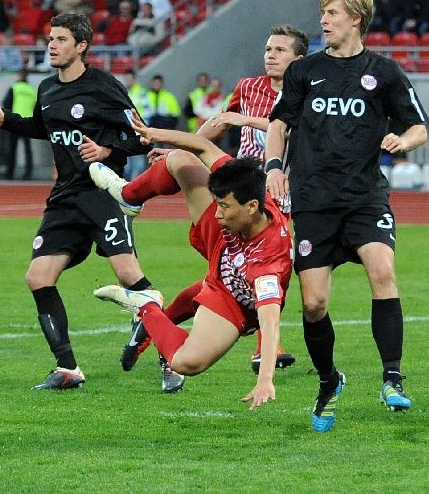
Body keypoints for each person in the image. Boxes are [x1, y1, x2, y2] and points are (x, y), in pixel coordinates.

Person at [0, 13, 175, 392]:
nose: (52, 45)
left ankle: (173, 360)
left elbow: (142, 136)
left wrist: (107, 150)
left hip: (103, 193)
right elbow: (44, 127)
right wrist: (7, 121)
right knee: (38, 277)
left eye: (61, 39)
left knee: (129, 276)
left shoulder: (104, 86)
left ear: (81, 46)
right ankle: (67, 368)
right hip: (65, 197)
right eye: (50, 39)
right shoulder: (47, 88)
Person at [265, 0, 429, 432]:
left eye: (332, 13)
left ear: (356, 18)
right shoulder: (304, 71)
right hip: (313, 202)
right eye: (323, 13)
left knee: (383, 270)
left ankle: (392, 377)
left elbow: (419, 127)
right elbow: (278, 124)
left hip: (364, 197)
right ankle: (328, 381)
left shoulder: (384, 72)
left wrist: (402, 141)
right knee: (314, 304)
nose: (324, 20)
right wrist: (274, 166)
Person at [129, 25, 308, 376]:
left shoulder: (307, 93)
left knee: (253, 272)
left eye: (280, 50)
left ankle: (157, 320)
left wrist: (245, 119)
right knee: (234, 273)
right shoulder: (248, 87)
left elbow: (289, 128)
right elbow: (218, 123)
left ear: (298, 60)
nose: (270, 55)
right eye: (268, 49)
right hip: (238, 189)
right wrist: (186, 147)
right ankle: (128, 197)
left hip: (279, 193)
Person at [91, 116, 293, 410]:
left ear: (251, 207)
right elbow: (202, 145)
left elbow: (270, 320)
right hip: (225, 245)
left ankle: (146, 305)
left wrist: (265, 379)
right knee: (181, 159)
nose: (217, 212)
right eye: (218, 204)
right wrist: (153, 133)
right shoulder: (243, 190)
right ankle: (128, 195)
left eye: (223, 206)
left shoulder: (266, 265)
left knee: (187, 362)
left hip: (234, 300)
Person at [0, 69, 36, 180]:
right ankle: (28, 174)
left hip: (15, 121)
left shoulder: (15, 87)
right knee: (27, 150)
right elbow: (37, 107)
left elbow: (6, 103)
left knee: (12, 148)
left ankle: (9, 173)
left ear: (19, 75)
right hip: (29, 122)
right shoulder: (32, 90)